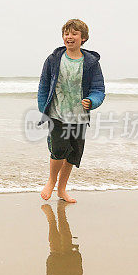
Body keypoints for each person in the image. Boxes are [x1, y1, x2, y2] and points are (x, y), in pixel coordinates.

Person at [37, 19, 105, 202]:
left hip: (79, 117)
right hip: (57, 114)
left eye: (74, 33)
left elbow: (98, 89)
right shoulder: (53, 59)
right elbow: (43, 85)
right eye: (66, 33)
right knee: (59, 149)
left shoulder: (91, 63)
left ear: (83, 38)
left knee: (73, 155)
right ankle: (51, 182)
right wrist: (43, 108)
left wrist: (92, 101)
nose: (69, 36)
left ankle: (62, 189)